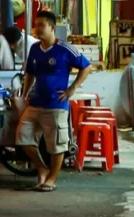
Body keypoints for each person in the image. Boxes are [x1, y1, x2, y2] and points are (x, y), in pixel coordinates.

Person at [17, 10, 93, 192]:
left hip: (56, 105)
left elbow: (87, 66)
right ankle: (42, 167)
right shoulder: (34, 49)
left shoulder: (65, 49)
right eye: (36, 25)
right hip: (35, 103)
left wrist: (71, 89)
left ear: (52, 28)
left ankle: (52, 178)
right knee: (22, 136)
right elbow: (30, 73)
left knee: (56, 144)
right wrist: (25, 94)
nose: (37, 29)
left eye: (41, 25)